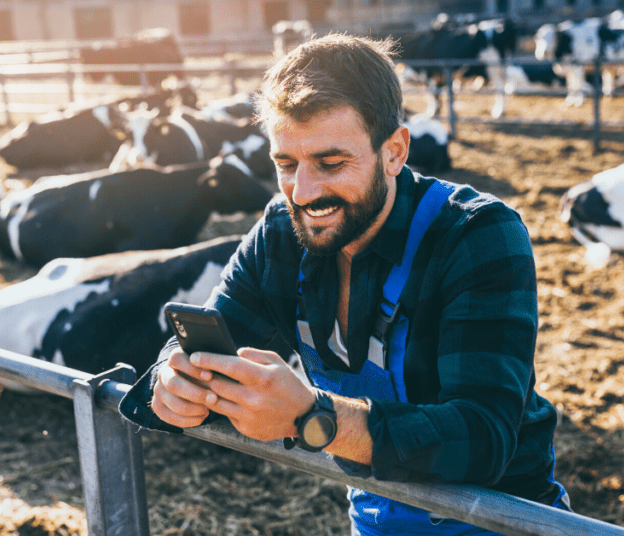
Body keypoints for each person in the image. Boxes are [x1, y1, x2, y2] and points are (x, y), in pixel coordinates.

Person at [119, 33, 571, 535]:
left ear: (395, 151)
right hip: (375, 517)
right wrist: (173, 379)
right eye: (286, 165)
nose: (304, 192)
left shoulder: (478, 235)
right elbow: (215, 332)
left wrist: (313, 417)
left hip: (504, 522)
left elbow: (481, 438)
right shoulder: (280, 231)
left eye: (331, 163)